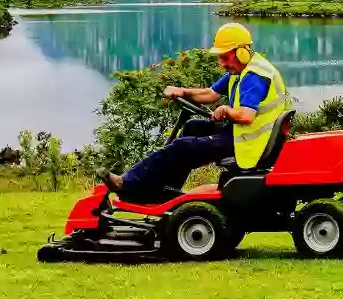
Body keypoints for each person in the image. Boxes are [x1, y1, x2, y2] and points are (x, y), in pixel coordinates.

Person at [110, 21, 295, 206]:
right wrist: (182, 91)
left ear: (241, 52)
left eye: (224, 57)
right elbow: (210, 94)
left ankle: (128, 183)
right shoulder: (241, 70)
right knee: (193, 126)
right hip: (243, 134)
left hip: (249, 144)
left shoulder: (254, 77)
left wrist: (226, 110)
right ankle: (166, 191)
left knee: (182, 147)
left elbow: (246, 116)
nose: (221, 63)